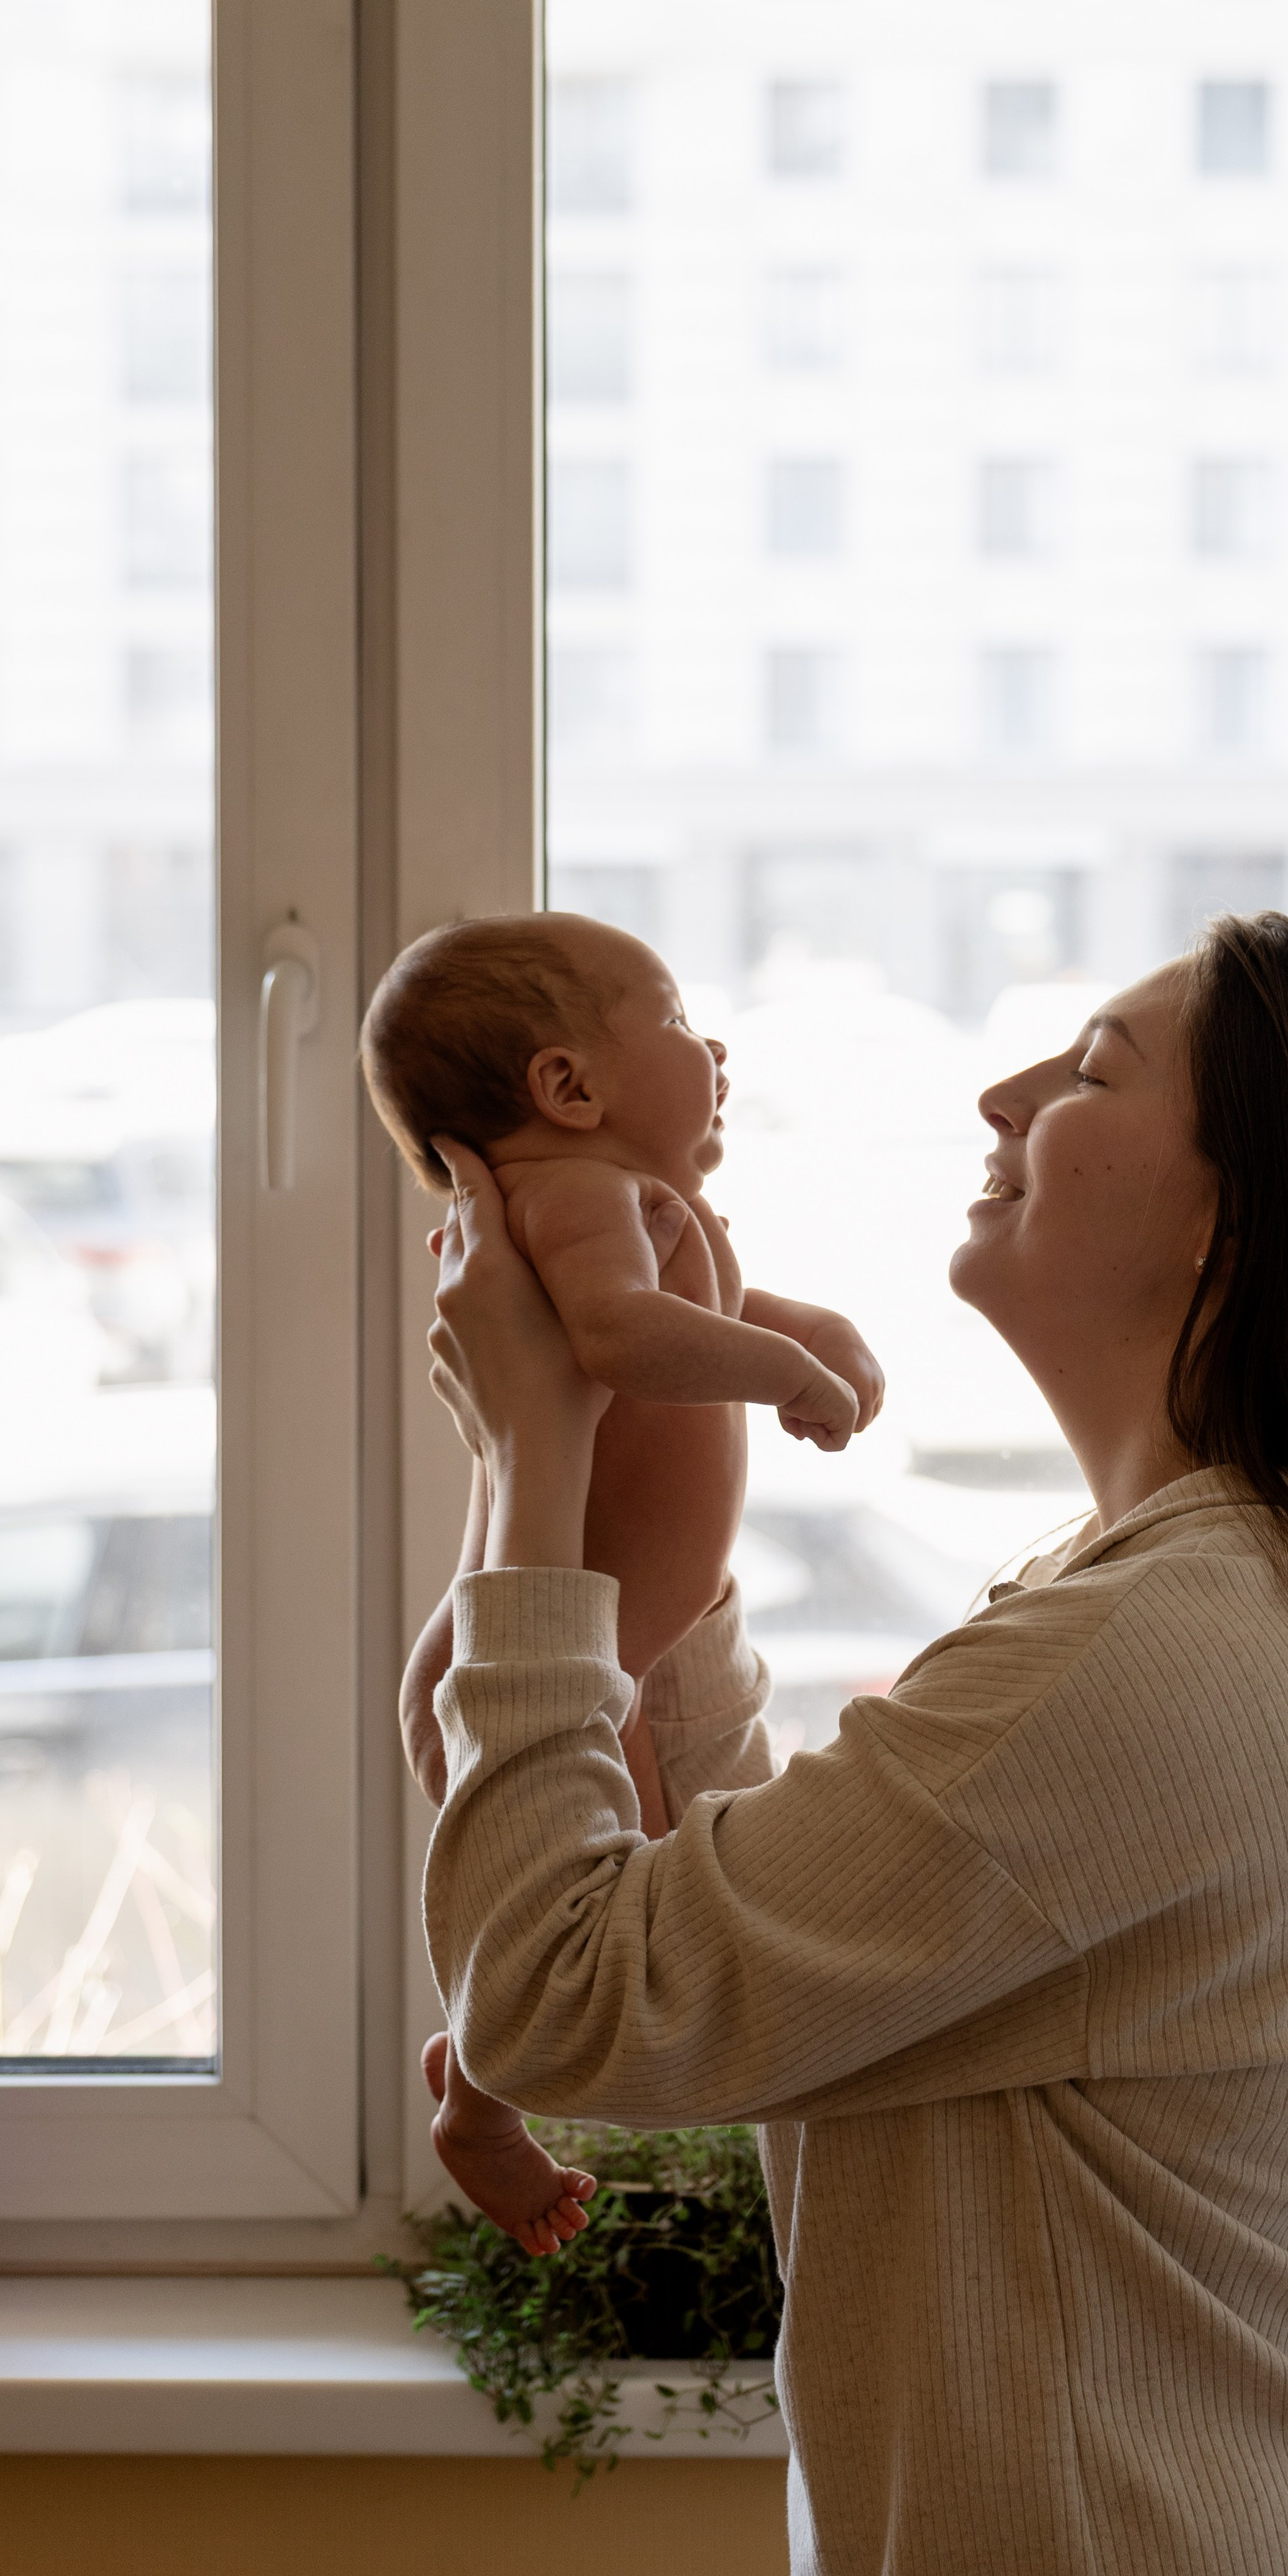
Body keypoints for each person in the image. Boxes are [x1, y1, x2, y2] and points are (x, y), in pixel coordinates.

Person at [416, 915, 1288, 2576]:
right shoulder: (1205, 1598)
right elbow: (815, 1966)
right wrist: (662, 1572)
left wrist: (527, 1468)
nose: (1000, 1090)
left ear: (1235, 1218)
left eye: (1092, 1071)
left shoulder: (1167, 1652)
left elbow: (568, 1998)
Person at [360, 912, 882, 2247]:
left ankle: (476, 2078)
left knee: (604, 1890)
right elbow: (622, 1332)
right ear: (568, 1087)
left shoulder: (602, 1208)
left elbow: (681, 1308)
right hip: (595, 1640)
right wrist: (789, 1375)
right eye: (675, 1020)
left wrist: (799, 1324)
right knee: (614, 1911)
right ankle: (479, 2101)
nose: (710, 1046)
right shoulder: (582, 1198)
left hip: (595, 1628)